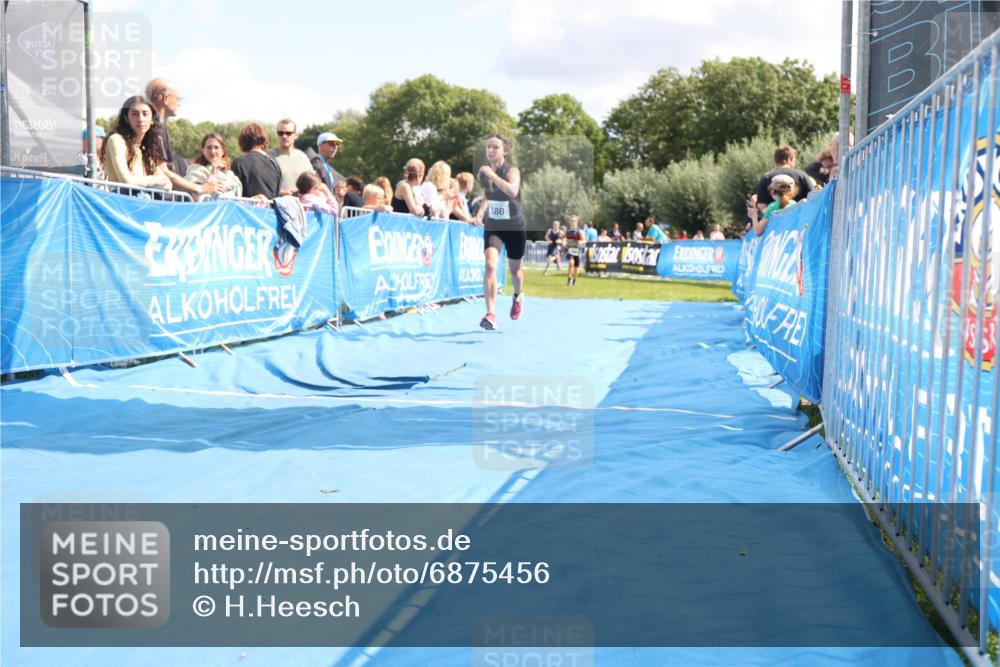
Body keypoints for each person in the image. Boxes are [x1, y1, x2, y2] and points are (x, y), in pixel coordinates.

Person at [476, 133, 525, 329]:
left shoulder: (512, 171)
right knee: (490, 264)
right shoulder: (484, 173)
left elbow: (512, 191)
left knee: (515, 271)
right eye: (488, 147)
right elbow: (488, 195)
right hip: (494, 226)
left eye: (495, 147)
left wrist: (492, 175)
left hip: (514, 226)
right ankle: (491, 314)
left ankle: (518, 295)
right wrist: (480, 213)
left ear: (505, 150)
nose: (491, 150)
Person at [145, 78, 215, 196]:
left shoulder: (152, 125)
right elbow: (162, 171)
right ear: (166, 99)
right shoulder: (156, 128)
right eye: (178, 99)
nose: (179, 103)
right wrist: (200, 188)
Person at [100, 95, 172, 190]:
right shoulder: (116, 140)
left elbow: (168, 185)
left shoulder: (144, 149)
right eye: (135, 114)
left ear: (152, 120)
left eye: (145, 114)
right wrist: (155, 181)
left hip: (141, 202)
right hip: (120, 202)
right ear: (126, 118)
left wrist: (146, 182)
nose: (141, 119)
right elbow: (126, 180)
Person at [754, 145, 815, 212]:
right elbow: (813, 198)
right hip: (800, 220)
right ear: (789, 159)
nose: (794, 163)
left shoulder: (766, 179)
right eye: (794, 160)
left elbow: (761, 205)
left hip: (775, 221)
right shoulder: (802, 176)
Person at [185, 132, 243, 199]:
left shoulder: (230, 174)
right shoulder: (195, 170)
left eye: (216, 147)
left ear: (223, 151)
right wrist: (213, 173)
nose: (212, 151)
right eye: (209, 147)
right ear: (203, 151)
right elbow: (194, 196)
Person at [231, 123, 281, 200]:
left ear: (243, 141)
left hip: (247, 209)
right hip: (270, 210)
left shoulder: (239, 163)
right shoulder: (274, 162)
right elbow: (277, 193)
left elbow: (235, 193)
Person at [270, 118, 314, 195]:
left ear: (296, 135)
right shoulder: (269, 158)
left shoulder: (303, 157)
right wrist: (281, 193)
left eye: (288, 133)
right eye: (280, 133)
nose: (284, 136)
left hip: (302, 205)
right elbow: (264, 188)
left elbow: (313, 184)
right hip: (278, 205)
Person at [564, 215, 585, 286]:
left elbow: (584, 240)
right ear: (570, 222)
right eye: (572, 221)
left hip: (577, 250)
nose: (573, 222)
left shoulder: (579, 231)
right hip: (570, 250)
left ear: (577, 222)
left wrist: (580, 242)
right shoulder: (567, 231)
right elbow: (562, 238)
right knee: (571, 263)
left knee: (576, 267)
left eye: (574, 221)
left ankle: (574, 279)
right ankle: (569, 278)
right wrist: (563, 242)